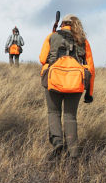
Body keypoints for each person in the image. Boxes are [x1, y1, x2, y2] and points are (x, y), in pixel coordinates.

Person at [38, 14, 95, 160]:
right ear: (76, 24)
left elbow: (42, 59)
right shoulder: (83, 41)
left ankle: (57, 142)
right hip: (76, 82)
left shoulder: (52, 36)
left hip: (54, 79)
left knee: (53, 112)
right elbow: (91, 69)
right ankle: (74, 153)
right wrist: (89, 93)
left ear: (62, 24)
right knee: (70, 117)